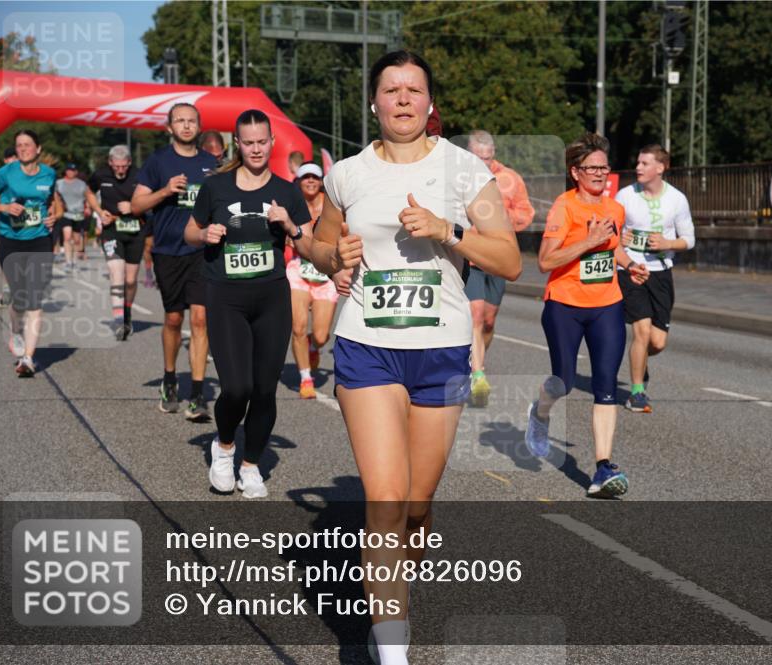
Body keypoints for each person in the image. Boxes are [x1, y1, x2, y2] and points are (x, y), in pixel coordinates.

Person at [310, 50, 521, 665]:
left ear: (430, 104)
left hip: (441, 350)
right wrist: (333, 257)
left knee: (416, 507)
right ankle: (393, 650)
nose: (402, 98)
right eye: (391, 89)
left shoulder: (463, 170)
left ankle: (395, 591)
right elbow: (320, 245)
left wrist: (447, 231)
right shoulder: (347, 175)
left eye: (413, 89)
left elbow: (509, 260)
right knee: (385, 500)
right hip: (367, 347)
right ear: (374, 103)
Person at [184, 109, 311, 497]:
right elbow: (189, 232)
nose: (256, 149)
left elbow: (307, 243)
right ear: (237, 143)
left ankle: (251, 465)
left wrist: (289, 226)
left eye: (262, 142)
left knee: (265, 389)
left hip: (272, 297)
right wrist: (205, 234)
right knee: (237, 387)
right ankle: (224, 447)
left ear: (272, 142)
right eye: (249, 142)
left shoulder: (287, 191)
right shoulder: (216, 187)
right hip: (226, 297)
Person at [524, 132, 648, 498]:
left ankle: (603, 467)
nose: (599, 174)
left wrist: (630, 265)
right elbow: (546, 260)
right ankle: (540, 413)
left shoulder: (614, 209)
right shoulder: (564, 208)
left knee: (605, 386)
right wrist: (588, 242)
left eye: (604, 168)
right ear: (575, 172)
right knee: (562, 381)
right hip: (565, 305)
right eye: (591, 168)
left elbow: (613, 248)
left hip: (607, 304)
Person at [131, 102, 217, 421]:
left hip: (202, 252)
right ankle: (169, 379)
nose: (186, 125)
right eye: (180, 121)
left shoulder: (211, 164)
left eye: (191, 120)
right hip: (168, 251)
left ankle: (197, 394)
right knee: (173, 319)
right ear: (169, 128)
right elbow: (137, 205)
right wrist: (165, 191)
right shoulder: (158, 162)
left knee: (200, 319)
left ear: (199, 126)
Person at [615, 144, 695, 413]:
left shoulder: (677, 199)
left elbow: (689, 240)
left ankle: (640, 364)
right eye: (638, 162)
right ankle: (637, 393)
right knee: (642, 331)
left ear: (660, 167)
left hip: (661, 273)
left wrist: (667, 243)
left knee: (657, 342)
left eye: (645, 163)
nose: (638, 167)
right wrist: (620, 238)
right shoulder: (625, 196)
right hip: (632, 270)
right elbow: (610, 233)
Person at [0, 130, 63, 377]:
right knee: (19, 299)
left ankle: (27, 358)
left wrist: (55, 216)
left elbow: (54, 202)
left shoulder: (49, 174)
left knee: (35, 299)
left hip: (40, 240)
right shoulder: (4, 173)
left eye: (27, 144)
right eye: (19, 145)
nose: (23, 149)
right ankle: (16, 331)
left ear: (38, 149)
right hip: (12, 241)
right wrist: (4, 207)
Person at [464, 130, 535, 407]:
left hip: (498, 257)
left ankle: (477, 360)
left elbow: (526, 213)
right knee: (475, 314)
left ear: (493, 154)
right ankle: (477, 374)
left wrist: (499, 219)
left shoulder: (510, 179)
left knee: (489, 320)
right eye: (478, 158)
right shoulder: (461, 178)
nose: (484, 162)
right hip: (471, 255)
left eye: (488, 157)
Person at [285, 162, 345, 399]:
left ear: (321, 181)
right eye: (305, 177)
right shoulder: (292, 203)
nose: (310, 181)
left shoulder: (331, 205)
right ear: (298, 181)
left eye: (315, 177)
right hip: (299, 270)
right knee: (298, 327)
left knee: (321, 336)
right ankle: (305, 378)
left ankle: (313, 346)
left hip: (324, 274)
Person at [86, 145, 143, 340]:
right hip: (111, 230)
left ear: (129, 162)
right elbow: (89, 192)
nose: (120, 170)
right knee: (116, 273)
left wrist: (133, 207)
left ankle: (127, 313)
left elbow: (151, 199)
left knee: (130, 280)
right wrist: (99, 212)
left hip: (136, 230)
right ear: (110, 163)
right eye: (116, 166)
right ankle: (119, 321)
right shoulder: (101, 175)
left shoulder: (140, 175)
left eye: (124, 166)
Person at [0, 147, 19, 306]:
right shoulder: (0, 176)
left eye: (16, 157)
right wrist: (3, 206)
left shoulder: (31, 175)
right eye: (11, 157)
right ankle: (6, 288)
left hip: (28, 224)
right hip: (7, 224)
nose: (14, 160)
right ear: (5, 160)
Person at [54, 163, 88, 271]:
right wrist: (58, 205)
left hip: (78, 213)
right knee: (67, 237)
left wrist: (88, 207)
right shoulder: (59, 183)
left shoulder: (82, 184)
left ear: (76, 172)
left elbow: (88, 196)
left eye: (73, 170)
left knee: (77, 239)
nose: (70, 172)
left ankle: (74, 261)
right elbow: (55, 196)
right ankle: (68, 262)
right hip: (66, 213)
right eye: (68, 170)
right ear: (66, 171)